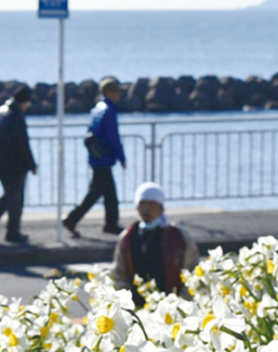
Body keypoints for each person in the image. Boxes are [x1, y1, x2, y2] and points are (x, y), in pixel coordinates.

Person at [63, 77, 126, 237]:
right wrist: (121, 156)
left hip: (96, 156)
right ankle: (72, 219)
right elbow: (113, 137)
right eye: (117, 91)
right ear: (110, 93)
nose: (119, 95)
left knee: (108, 193)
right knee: (96, 193)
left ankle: (111, 223)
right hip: (104, 158)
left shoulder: (97, 108)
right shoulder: (109, 111)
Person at [111, 182, 198, 297]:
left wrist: (183, 300)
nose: (146, 208)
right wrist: (126, 297)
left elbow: (192, 269)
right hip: (137, 304)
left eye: (151, 204)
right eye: (142, 204)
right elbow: (119, 272)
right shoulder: (128, 236)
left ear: (161, 207)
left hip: (171, 304)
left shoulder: (177, 235)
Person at [0, 86, 37, 243]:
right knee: (16, 199)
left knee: (10, 196)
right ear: (24, 102)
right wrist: (31, 164)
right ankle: (12, 232)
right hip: (15, 164)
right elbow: (22, 143)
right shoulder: (15, 116)